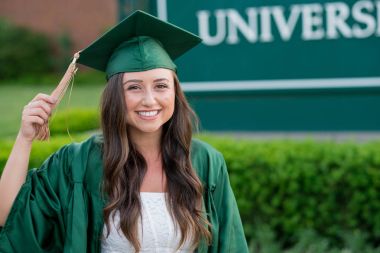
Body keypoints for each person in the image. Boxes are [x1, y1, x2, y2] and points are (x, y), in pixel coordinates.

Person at [0, 10, 248, 253]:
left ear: (175, 91)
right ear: (115, 96)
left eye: (161, 85)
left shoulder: (205, 162)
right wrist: (24, 139)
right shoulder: (79, 163)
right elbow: (10, 218)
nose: (149, 100)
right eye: (134, 88)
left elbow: (231, 245)